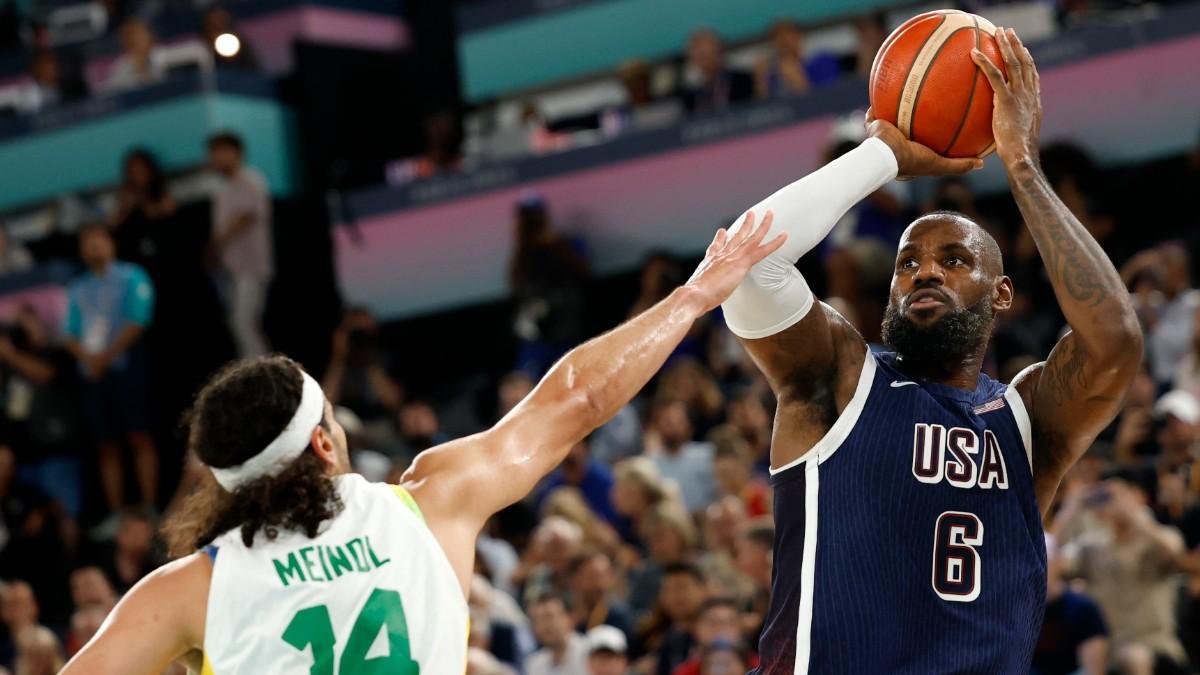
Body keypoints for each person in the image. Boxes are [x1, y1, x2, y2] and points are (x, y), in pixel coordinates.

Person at [61, 207, 787, 672]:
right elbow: (578, 396)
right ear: (322, 444)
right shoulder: (432, 502)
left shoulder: (190, 588)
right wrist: (693, 295)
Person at [717, 30, 1141, 672]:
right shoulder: (841, 378)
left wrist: (1020, 164)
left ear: (1001, 295)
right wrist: (882, 155)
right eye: (906, 262)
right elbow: (748, 269)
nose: (924, 272)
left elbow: (1115, 343)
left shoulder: (1028, 421)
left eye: (954, 259)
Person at [63, 224, 158, 523]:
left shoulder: (132, 276)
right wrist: (90, 360)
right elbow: (69, 333)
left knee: (139, 436)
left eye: (98, 240)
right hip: (93, 374)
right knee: (106, 445)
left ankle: (150, 506)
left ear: (111, 243)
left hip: (126, 367)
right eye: (86, 243)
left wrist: (106, 356)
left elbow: (137, 320)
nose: (93, 247)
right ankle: (117, 514)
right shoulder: (77, 289)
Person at [208, 131, 273, 358]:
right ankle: (252, 369)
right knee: (237, 321)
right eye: (213, 153)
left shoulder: (251, 179)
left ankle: (262, 371)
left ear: (237, 152)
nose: (216, 158)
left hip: (251, 265)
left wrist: (219, 241)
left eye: (221, 152)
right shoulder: (222, 189)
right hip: (231, 269)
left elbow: (248, 215)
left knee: (243, 321)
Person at [1032, 534, 1108, 675]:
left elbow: (1094, 669)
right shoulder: (1017, 609)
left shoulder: (1083, 608)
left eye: (1048, 558)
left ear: (1060, 562)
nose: (1041, 564)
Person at [754, 19, 842, 99]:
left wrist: (796, 78)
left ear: (800, 35)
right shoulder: (771, 74)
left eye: (788, 34)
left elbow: (831, 99)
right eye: (776, 36)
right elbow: (762, 109)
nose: (782, 40)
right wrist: (761, 80)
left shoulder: (822, 61)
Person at [681, 29, 754, 116]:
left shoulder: (743, 80)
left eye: (706, 54)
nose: (704, 60)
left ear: (720, 51)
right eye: (699, 56)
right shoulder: (691, 97)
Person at [525, 593, 588, 675]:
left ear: (570, 618)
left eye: (548, 617)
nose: (542, 626)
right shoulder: (534, 664)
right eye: (536, 620)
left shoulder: (590, 655)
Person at [106, 18, 166, 92]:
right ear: (132, 41)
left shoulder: (156, 59)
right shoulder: (121, 69)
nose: (150, 37)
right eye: (142, 35)